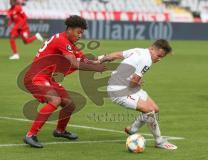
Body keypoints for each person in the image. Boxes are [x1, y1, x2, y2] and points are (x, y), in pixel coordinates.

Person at [23, 15, 106, 148]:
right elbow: (74, 63)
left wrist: (103, 59)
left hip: (47, 77)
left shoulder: (67, 42)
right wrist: (95, 68)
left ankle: (60, 131)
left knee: (69, 104)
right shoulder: (62, 41)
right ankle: (30, 135)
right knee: (54, 100)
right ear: (70, 29)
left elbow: (84, 59)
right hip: (35, 77)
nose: (80, 36)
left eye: (82, 33)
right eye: (79, 32)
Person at [99, 39, 178, 150]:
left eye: (161, 57)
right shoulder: (147, 60)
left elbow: (117, 54)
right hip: (119, 90)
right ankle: (159, 141)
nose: (159, 58)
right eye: (159, 55)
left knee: (155, 109)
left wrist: (103, 58)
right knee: (149, 111)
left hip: (125, 85)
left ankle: (132, 129)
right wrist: (137, 82)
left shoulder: (138, 50)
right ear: (152, 48)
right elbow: (133, 83)